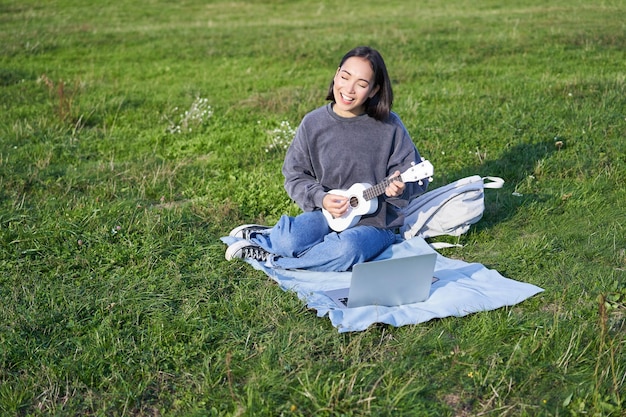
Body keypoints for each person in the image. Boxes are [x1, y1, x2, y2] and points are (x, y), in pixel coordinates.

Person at [225, 46, 429, 272]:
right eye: (345, 77)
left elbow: (416, 177)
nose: (349, 89)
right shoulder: (313, 123)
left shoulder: (389, 125)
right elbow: (294, 175)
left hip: (375, 225)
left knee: (348, 250)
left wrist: (400, 189)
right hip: (325, 214)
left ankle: (272, 260)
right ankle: (267, 237)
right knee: (288, 241)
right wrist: (320, 198)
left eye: (361, 84)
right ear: (336, 74)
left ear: (373, 90)